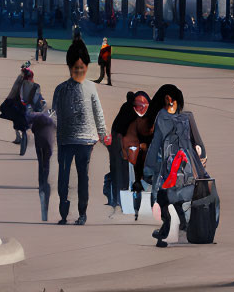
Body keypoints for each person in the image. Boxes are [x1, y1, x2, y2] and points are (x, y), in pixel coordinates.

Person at [51, 39, 109, 225]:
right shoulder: (60, 89)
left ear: (86, 67)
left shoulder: (91, 88)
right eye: (75, 68)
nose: (79, 72)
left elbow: (98, 111)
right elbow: (54, 115)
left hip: (86, 140)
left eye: (82, 68)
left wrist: (102, 133)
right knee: (63, 176)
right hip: (65, 139)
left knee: (83, 176)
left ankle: (82, 212)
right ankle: (63, 211)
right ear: (69, 67)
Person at [143, 84, 207, 248]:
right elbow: (195, 146)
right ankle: (183, 227)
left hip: (169, 170)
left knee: (164, 199)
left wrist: (148, 169)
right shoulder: (186, 118)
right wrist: (202, 171)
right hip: (184, 172)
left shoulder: (163, 118)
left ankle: (165, 232)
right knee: (176, 199)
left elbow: (156, 144)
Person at [120, 90, 152, 220]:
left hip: (147, 154)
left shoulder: (151, 117)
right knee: (135, 181)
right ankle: (136, 207)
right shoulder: (128, 114)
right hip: (134, 153)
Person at [0, 65, 42, 156]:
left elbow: (11, 95)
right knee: (25, 129)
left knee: (19, 125)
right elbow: (37, 99)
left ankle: (19, 141)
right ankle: (21, 145)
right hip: (28, 110)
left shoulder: (19, 84)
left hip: (18, 109)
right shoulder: (35, 86)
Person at [29, 107, 57, 221]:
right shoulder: (53, 120)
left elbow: (33, 129)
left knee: (40, 162)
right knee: (47, 162)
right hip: (49, 145)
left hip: (39, 143)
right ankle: (45, 179)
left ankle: (41, 182)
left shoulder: (37, 118)